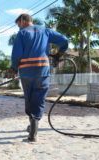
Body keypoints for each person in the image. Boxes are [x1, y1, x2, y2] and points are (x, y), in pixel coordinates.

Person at [10, 13, 68, 142]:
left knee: (30, 99)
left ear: (23, 20)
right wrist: (59, 54)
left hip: (26, 73)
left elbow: (16, 55)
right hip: (42, 71)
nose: (18, 27)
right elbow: (64, 40)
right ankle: (33, 129)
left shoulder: (22, 33)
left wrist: (14, 68)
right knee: (39, 98)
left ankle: (33, 130)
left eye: (18, 24)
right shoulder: (46, 31)